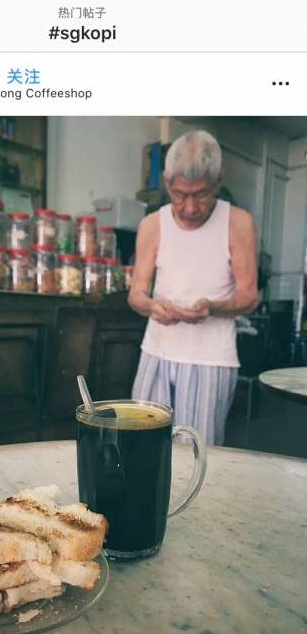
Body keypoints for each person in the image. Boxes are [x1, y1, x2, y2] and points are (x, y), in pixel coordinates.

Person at [129, 130, 258, 445]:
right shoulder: (152, 225)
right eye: (178, 193)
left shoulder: (238, 222)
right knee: (141, 444)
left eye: (200, 195)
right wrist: (152, 306)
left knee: (198, 453)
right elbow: (136, 294)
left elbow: (249, 296)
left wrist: (213, 307)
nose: (188, 207)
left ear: (218, 183)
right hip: (156, 351)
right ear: (166, 181)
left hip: (211, 358)